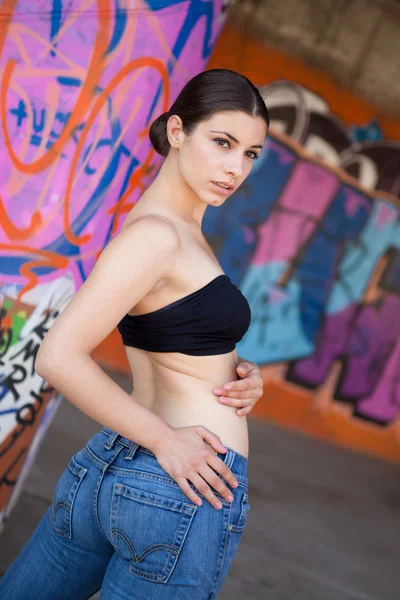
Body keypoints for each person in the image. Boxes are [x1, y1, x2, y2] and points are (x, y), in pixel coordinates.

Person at [0, 68, 269, 599]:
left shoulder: (173, 230)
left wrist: (237, 371)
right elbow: (58, 356)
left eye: (250, 154)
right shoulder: (158, 235)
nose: (235, 167)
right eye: (222, 142)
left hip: (122, 468)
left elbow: (171, 343)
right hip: (177, 484)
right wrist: (166, 441)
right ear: (176, 131)